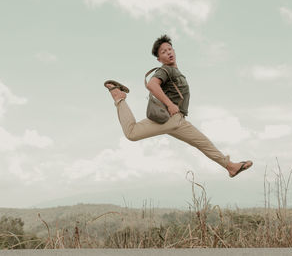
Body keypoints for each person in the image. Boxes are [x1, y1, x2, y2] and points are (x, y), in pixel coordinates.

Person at [104, 34, 253, 178]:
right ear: (159, 58)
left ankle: (231, 167)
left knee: (203, 143)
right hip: (169, 119)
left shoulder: (176, 72)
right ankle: (119, 98)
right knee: (132, 133)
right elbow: (151, 85)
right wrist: (169, 104)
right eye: (164, 51)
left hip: (179, 120)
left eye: (170, 49)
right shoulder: (166, 70)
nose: (168, 52)